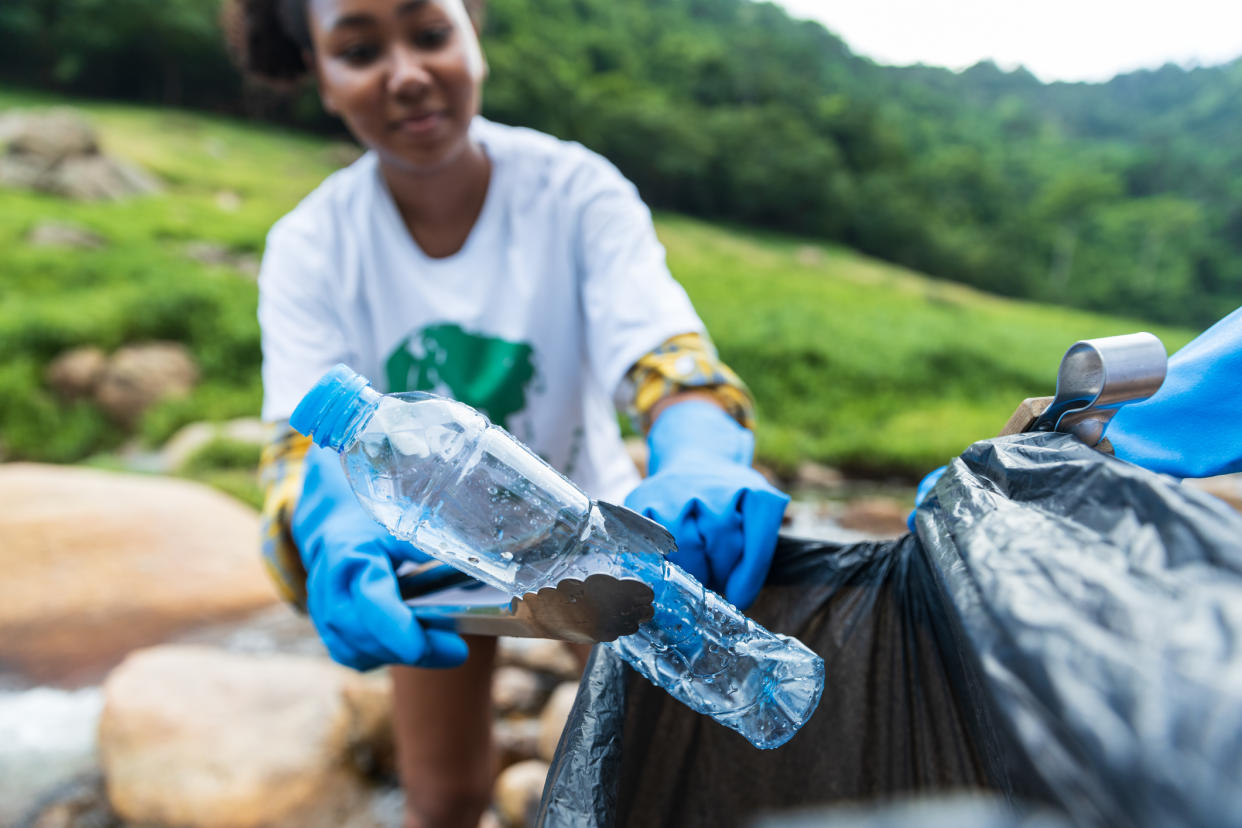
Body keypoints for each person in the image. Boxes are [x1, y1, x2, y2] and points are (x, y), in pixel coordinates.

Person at [225, 1, 788, 826]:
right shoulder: (314, 242)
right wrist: (327, 530)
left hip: (592, 531)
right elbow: (298, 441)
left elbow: (669, 358)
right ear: (320, 76)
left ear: (473, 34)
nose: (408, 73)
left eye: (430, 34)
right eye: (358, 49)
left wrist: (701, 451)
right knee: (443, 797)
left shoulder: (573, 189)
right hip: (428, 559)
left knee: (679, 770)